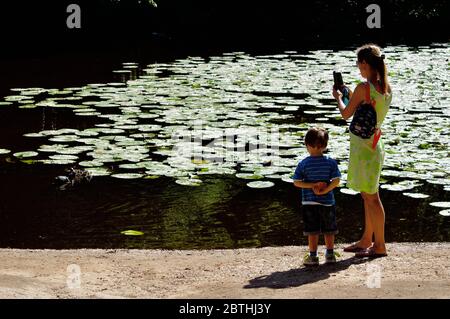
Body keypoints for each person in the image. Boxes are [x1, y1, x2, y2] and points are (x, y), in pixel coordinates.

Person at [332, 43, 392, 258]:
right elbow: (367, 109)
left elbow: (347, 114)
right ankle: (367, 239)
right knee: (368, 196)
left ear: (365, 64)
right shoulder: (385, 88)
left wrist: (338, 97)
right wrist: (350, 93)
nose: (358, 67)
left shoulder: (362, 88)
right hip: (374, 145)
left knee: (372, 198)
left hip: (364, 149)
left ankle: (380, 245)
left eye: (359, 64)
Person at [293, 127, 341, 266]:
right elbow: (336, 180)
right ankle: (330, 254)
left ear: (307, 145)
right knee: (329, 229)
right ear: (325, 146)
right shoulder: (330, 162)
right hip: (327, 202)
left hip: (309, 203)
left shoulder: (303, 163)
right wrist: (326, 190)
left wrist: (312, 186)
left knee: (312, 231)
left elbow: (297, 182)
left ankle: (313, 257)